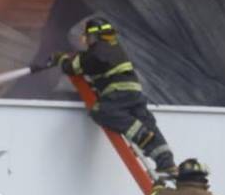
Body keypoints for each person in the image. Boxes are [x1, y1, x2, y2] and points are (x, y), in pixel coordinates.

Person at [55, 17, 176, 174]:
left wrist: (61, 59)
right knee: (147, 122)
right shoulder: (115, 48)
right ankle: (166, 161)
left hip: (119, 92)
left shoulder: (97, 51)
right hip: (134, 92)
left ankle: (140, 134)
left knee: (102, 111)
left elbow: (73, 67)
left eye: (88, 37)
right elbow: (102, 72)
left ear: (94, 36)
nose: (86, 41)